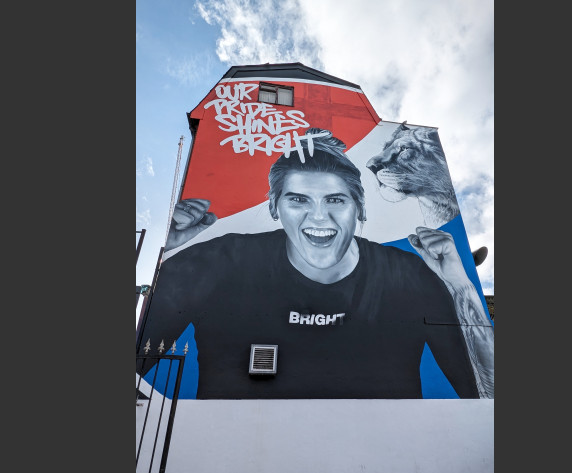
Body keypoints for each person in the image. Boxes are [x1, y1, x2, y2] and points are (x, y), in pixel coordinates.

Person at [139, 129, 492, 399]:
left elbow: (487, 398)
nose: (318, 217)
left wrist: (460, 285)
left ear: (361, 209)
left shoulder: (408, 274)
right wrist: (166, 256)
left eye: (336, 200)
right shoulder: (216, 262)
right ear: (276, 209)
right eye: (298, 200)